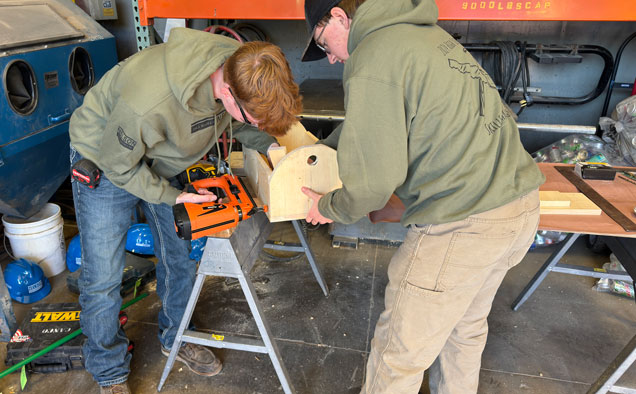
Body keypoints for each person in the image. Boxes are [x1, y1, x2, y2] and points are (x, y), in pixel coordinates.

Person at [299, 0, 545, 393]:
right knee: (462, 332)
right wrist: (323, 151)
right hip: (517, 211)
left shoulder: (372, 56)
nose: (330, 60)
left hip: (463, 226)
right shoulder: (423, 36)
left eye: (324, 44)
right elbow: (374, 124)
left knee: (398, 356)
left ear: (340, 17)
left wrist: (328, 207)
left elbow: (375, 181)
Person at [69, 27, 302, 394]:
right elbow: (120, 166)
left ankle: (176, 335)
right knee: (103, 276)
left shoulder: (242, 64)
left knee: (178, 257)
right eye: (252, 118)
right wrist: (173, 197)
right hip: (107, 159)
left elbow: (243, 122)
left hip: (164, 153)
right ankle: (109, 370)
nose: (253, 124)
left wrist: (277, 150)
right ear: (226, 90)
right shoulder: (148, 102)